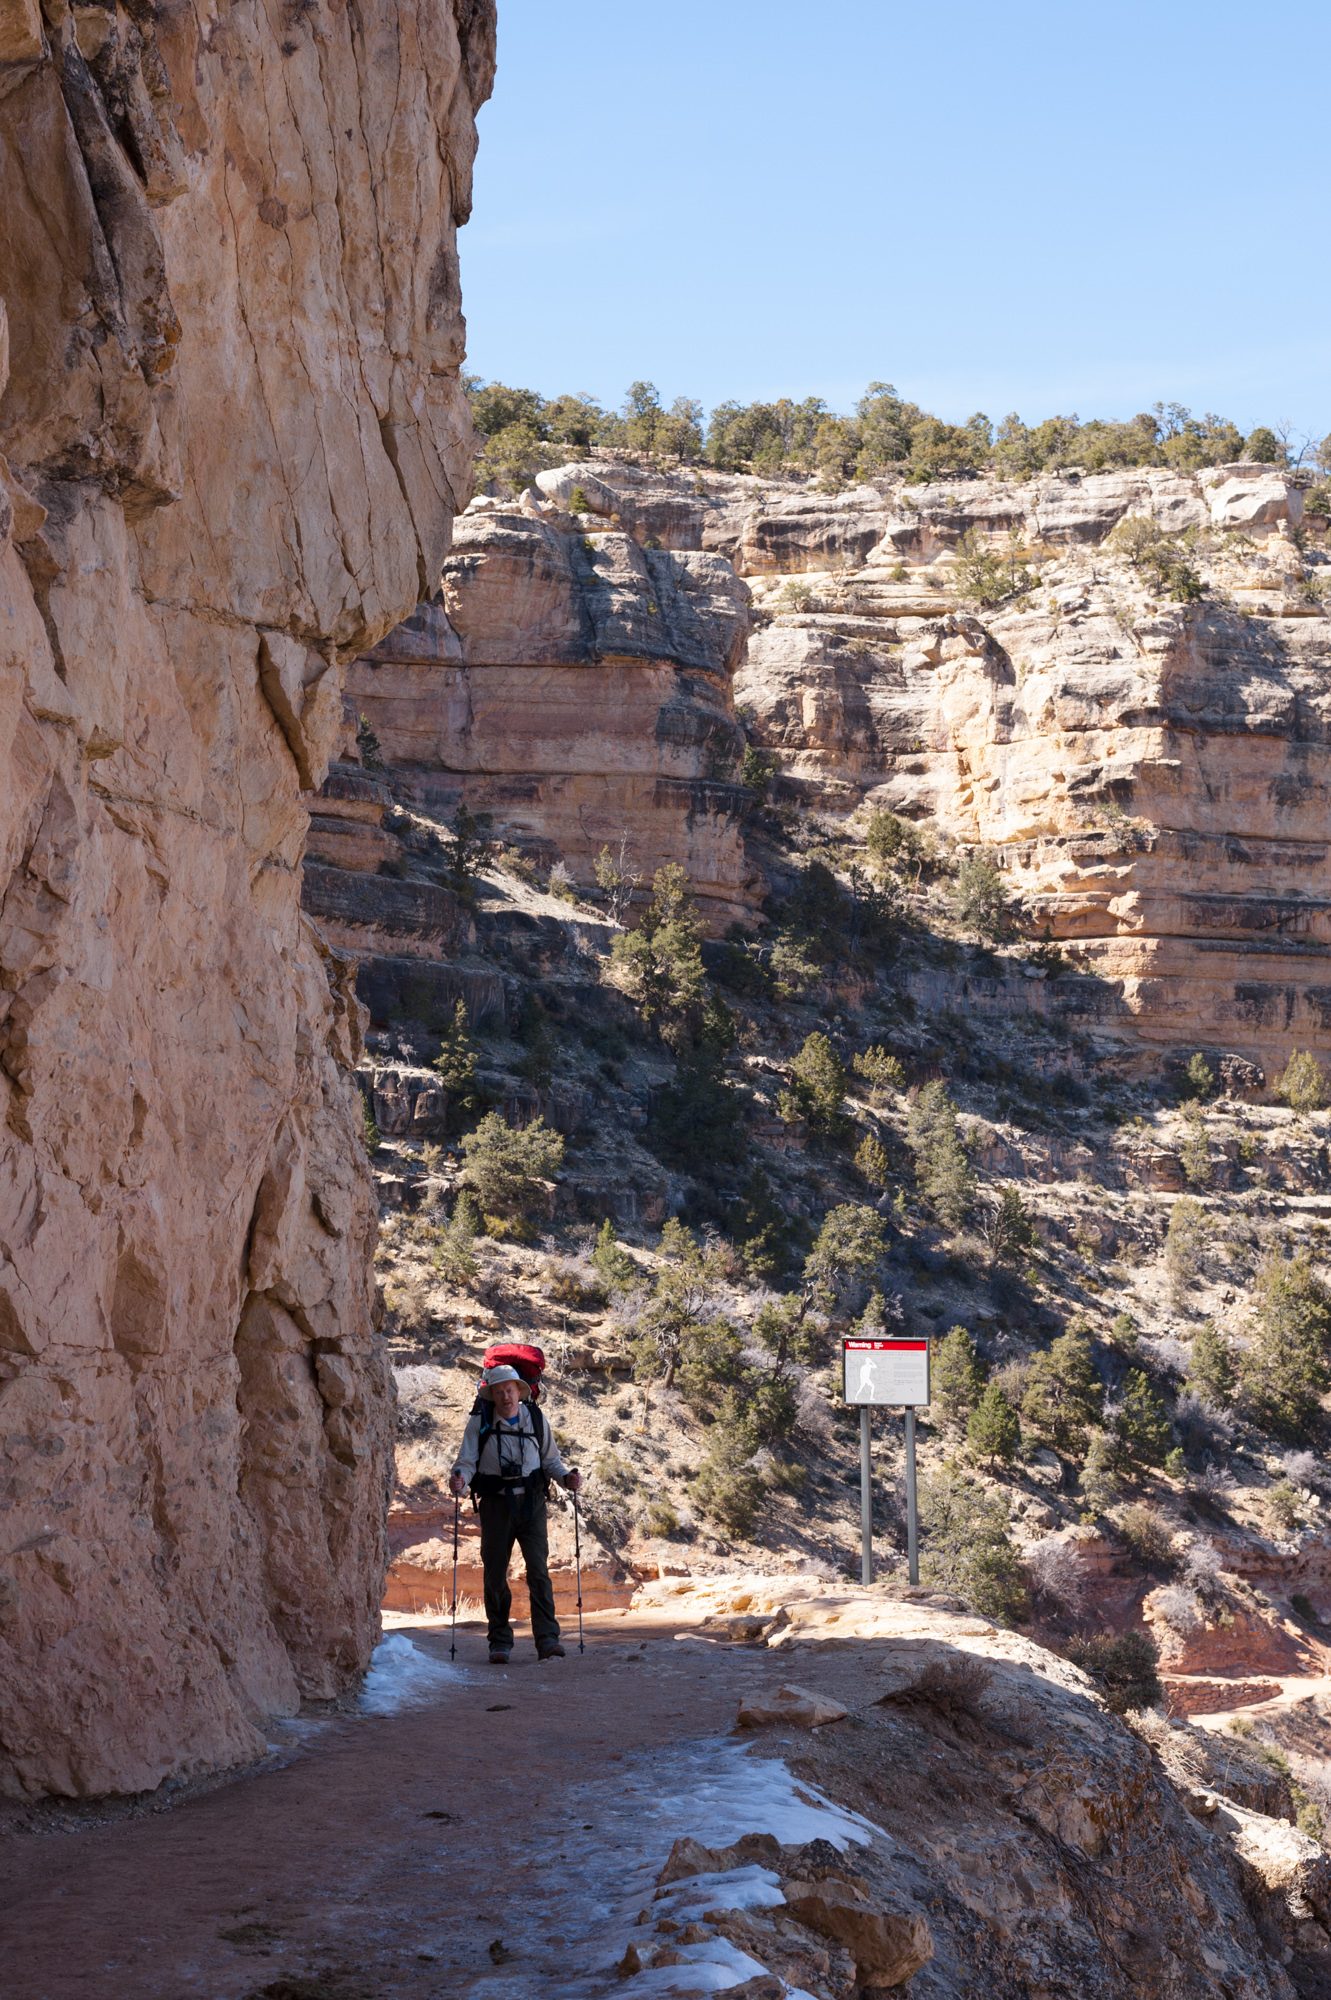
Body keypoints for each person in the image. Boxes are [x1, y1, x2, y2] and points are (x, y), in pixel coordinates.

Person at [449, 1364, 583, 1664]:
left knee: (538, 1571)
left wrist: (567, 1479)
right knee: (495, 1573)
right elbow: (466, 1462)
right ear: (492, 1394)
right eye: (499, 1391)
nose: (505, 1396)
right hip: (496, 1505)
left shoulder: (535, 1418)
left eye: (509, 1390)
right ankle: (499, 1641)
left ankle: (548, 1640)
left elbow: (551, 1461)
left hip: (532, 1503)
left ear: (519, 1391)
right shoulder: (479, 1423)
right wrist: (458, 1480)